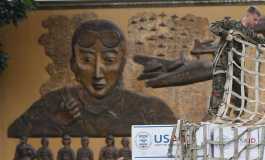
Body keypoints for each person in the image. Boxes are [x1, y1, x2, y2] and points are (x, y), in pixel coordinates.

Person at [8, 19, 176, 138]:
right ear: (73, 64)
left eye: (109, 60)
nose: (97, 73)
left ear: (122, 64)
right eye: (86, 60)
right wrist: (56, 122)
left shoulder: (152, 110)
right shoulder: (52, 103)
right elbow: (15, 131)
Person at [208, 6, 265, 116]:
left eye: (258, 20)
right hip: (222, 63)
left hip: (236, 65)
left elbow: (261, 40)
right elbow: (213, 26)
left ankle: (238, 117)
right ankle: (215, 116)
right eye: (255, 19)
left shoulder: (248, 33)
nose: (256, 23)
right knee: (219, 90)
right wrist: (225, 34)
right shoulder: (231, 24)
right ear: (248, 16)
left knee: (242, 93)